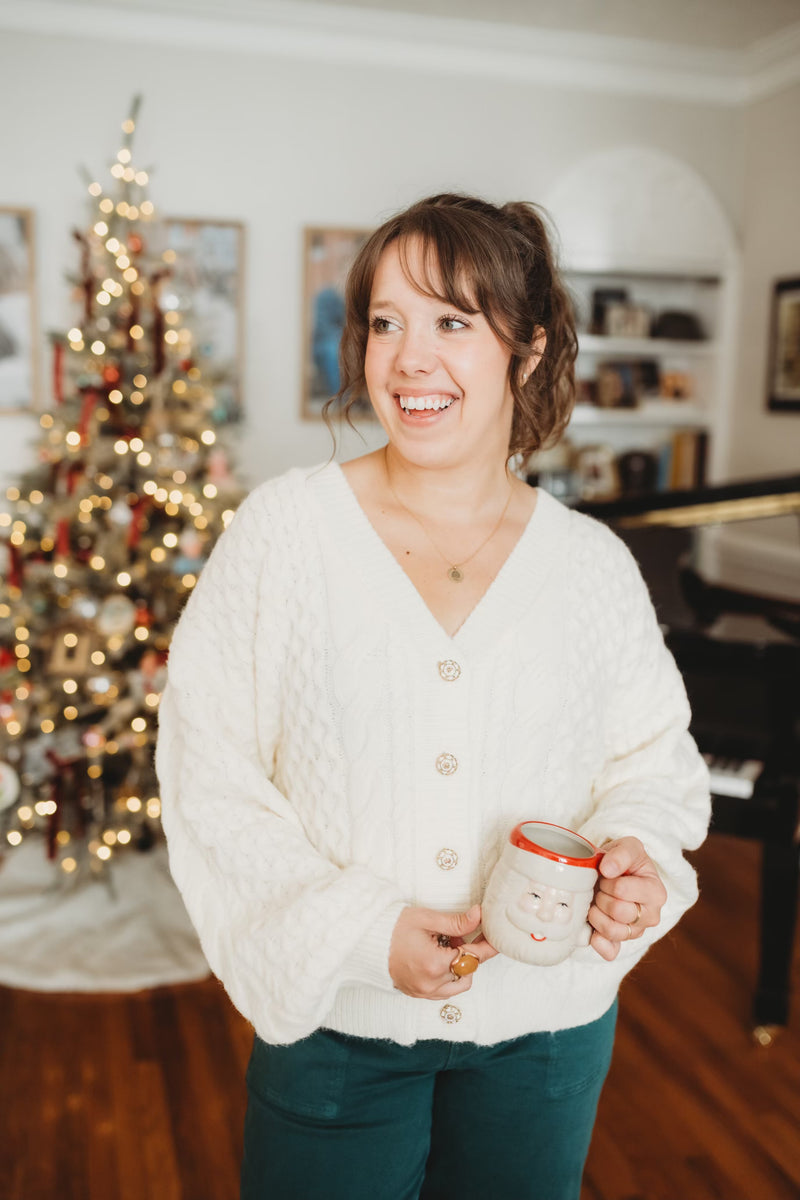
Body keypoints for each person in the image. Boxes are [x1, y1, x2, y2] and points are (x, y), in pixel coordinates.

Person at [156, 192, 711, 1200]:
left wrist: (633, 859)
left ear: (526, 351)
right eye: (383, 321)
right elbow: (208, 773)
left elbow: (650, 769)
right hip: (338, 1033)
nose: (408, 359)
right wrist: (365, 933)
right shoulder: (284, 535)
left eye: (451, 322)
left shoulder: (590, 567)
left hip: (545, 1041)